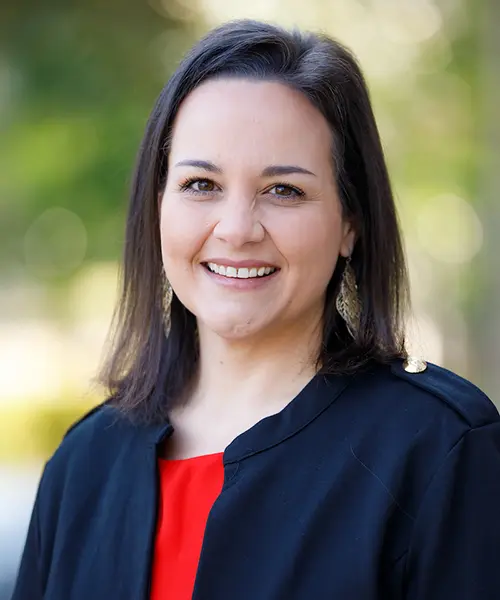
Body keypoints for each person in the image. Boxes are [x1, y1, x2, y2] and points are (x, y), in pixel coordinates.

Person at [12, 18, 500, 600]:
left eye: (284, 190)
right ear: (158, 203)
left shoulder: (439, 448)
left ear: (350, 222)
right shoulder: (83, 465)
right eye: (201, 184)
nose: (237, 229)